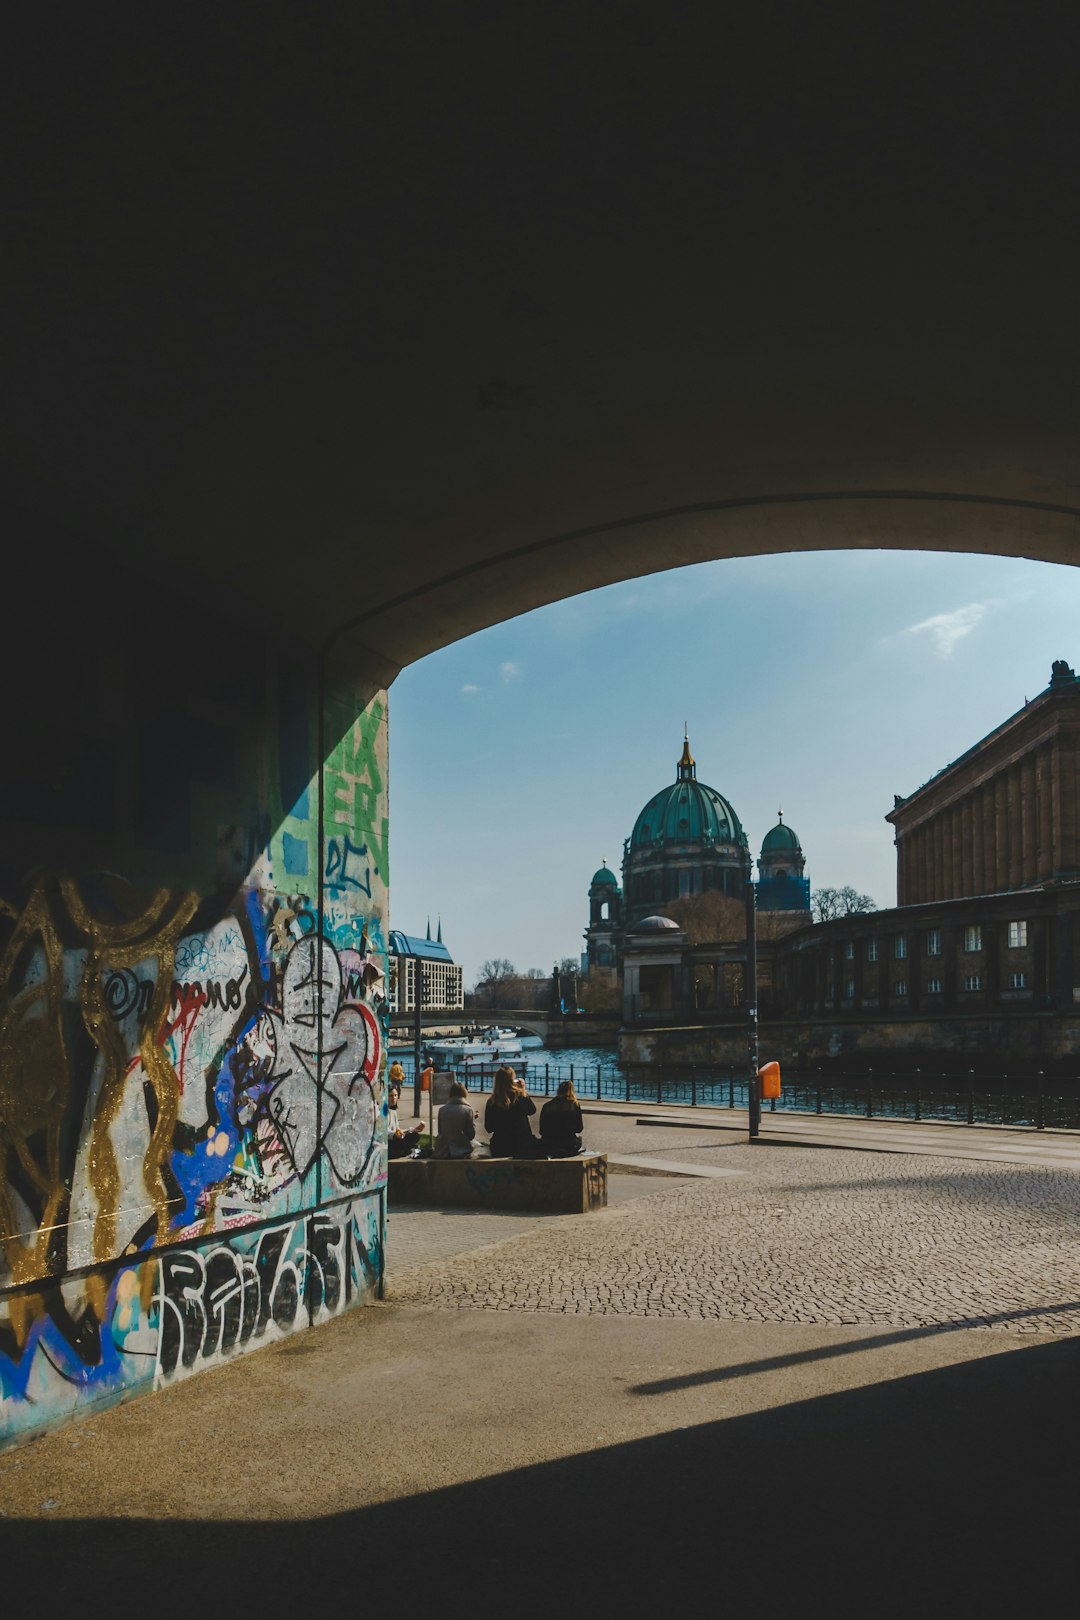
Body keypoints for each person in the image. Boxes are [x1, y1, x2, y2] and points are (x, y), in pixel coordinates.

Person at [484, 1065, 544, 1158]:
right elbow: (532, 1110)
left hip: (501, 1147)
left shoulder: (492, 1101)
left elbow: (489, 1128)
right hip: (522, 1144)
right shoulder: (520, 1097)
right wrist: (523, 1090)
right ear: (512, 1080)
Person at [539, 1079, 584, 1157]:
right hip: (568, 1144)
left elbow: (542, 1131)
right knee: (578, 1140)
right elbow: (579, 1128)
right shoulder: (574, 1105)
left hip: (550, 1145)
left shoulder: (547, 1106)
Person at [434, 1079, 477, 1159]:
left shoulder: (442, 1110)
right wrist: (473, 1119)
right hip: (461, 1150)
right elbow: (471, 1135)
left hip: (443, 1151)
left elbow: (441, 1131)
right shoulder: (468, 1110)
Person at [386, 1084, 425, 1158]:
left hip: (396, 1138)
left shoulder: (393, 1112)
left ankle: (402, 1151)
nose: (393, 1098)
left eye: (395, 1095)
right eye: (391, 1096)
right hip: (389, 1141)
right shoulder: (382, 1113)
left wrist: (413, 1129)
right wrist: (394, 1134)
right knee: (400, 1142)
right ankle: (402, 1151)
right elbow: (383, 1132)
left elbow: (398, 1130)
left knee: (415, 1135)